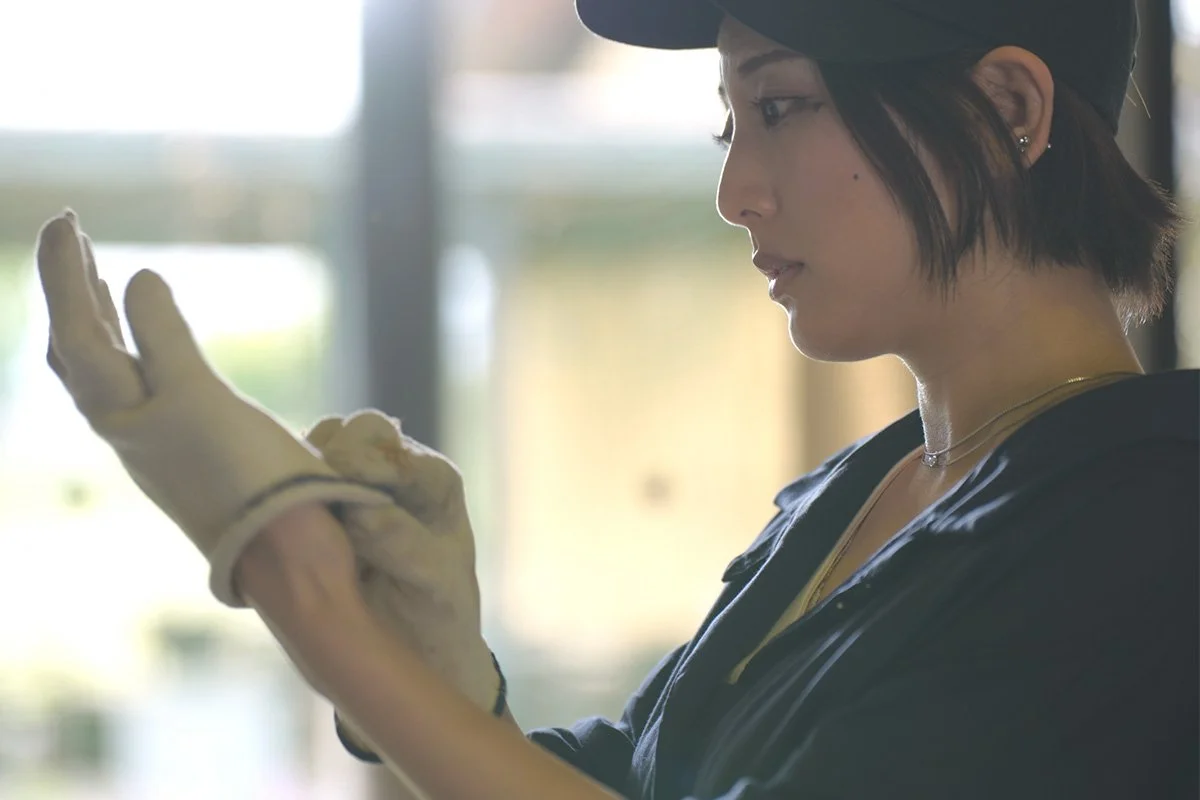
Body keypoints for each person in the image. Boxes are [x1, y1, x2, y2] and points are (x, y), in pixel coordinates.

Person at [33, 0, 1199, 797]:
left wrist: (307, 593)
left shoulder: (1152, 520)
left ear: (1011, 109)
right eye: (728, 123)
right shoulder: (852, 496)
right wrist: (437, 667)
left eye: (783, 105)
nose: (737, 189)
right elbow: (645, 777)